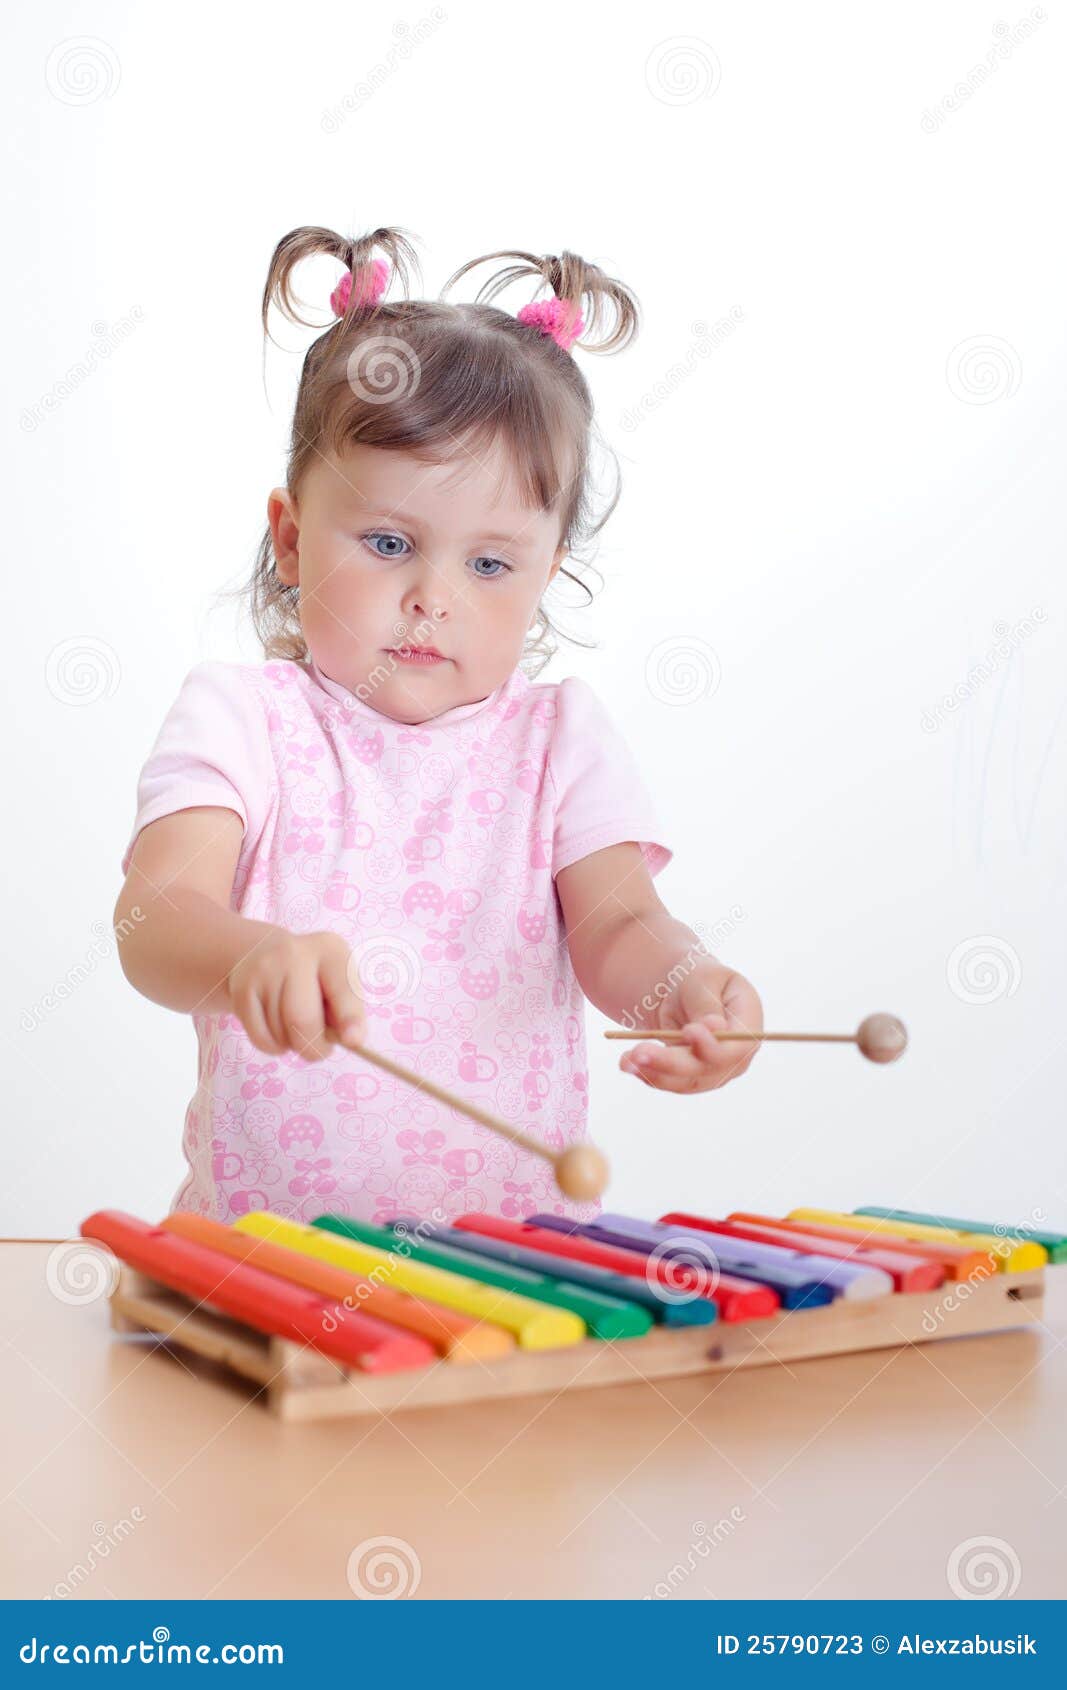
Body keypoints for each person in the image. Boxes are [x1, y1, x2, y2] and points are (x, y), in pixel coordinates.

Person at [113, 223, 763, 1226]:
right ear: (289, 539)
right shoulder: (241, 719)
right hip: (254, 1273)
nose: (432, 596)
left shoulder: (559, 744)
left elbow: (620, 928)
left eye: (490, 563)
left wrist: (685, 984)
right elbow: (154, 917)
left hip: (510, 1285)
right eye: (386, 541)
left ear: (546, 573)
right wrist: (243, 953)